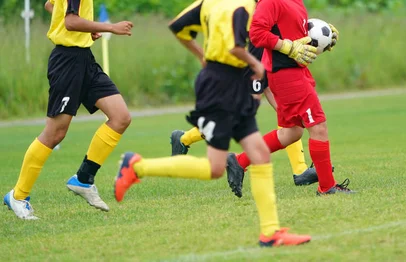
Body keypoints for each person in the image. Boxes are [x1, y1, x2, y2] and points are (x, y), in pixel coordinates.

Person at [113, 0, 311, 247]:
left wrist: (202, 57)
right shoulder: (244, 8)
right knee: (215, 168)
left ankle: (270, 233)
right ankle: (136, 166)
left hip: (222, 81)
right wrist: (256, 64)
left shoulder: (209, 3)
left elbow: (177, 27)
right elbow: (236, 48)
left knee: (259, 154)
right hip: (221, 87)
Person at [3, 0, 133, 220]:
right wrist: (109, 27)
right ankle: (18, 195)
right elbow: (71, 21)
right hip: (66, 62)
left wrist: (86, 30)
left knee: (120, 117)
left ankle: (84, 178)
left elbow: (50, 6)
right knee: (55, 133)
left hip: (84, 59)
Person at [226, 0, 355, 198]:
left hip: (296, 72)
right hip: (287, 75)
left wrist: (322, 39)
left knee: (291, 132)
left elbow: (293, 33)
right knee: (318, 126)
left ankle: (240, 161)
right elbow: (257, 34)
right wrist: (288, 48)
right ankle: (327, 187)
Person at [168, 41, 321, 189]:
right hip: (246, 66)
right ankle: (183, 139)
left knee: (287, 115)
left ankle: (300, 170)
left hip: (265, 61)